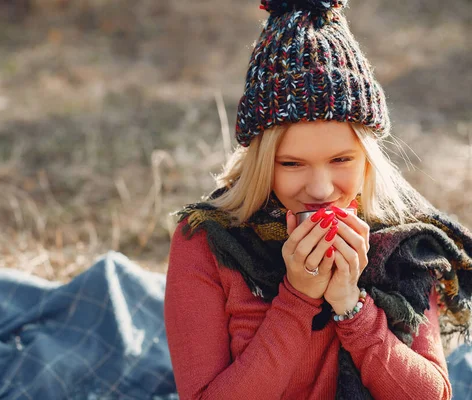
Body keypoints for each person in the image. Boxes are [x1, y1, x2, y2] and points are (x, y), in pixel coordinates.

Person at [164, 1, 472, 399]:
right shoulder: (209, 243)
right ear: (261, 163)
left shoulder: (405, 243)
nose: (322, 189)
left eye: (341, 160)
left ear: (367, 158)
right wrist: (298, 298)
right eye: (292, 163)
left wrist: (351, 305)